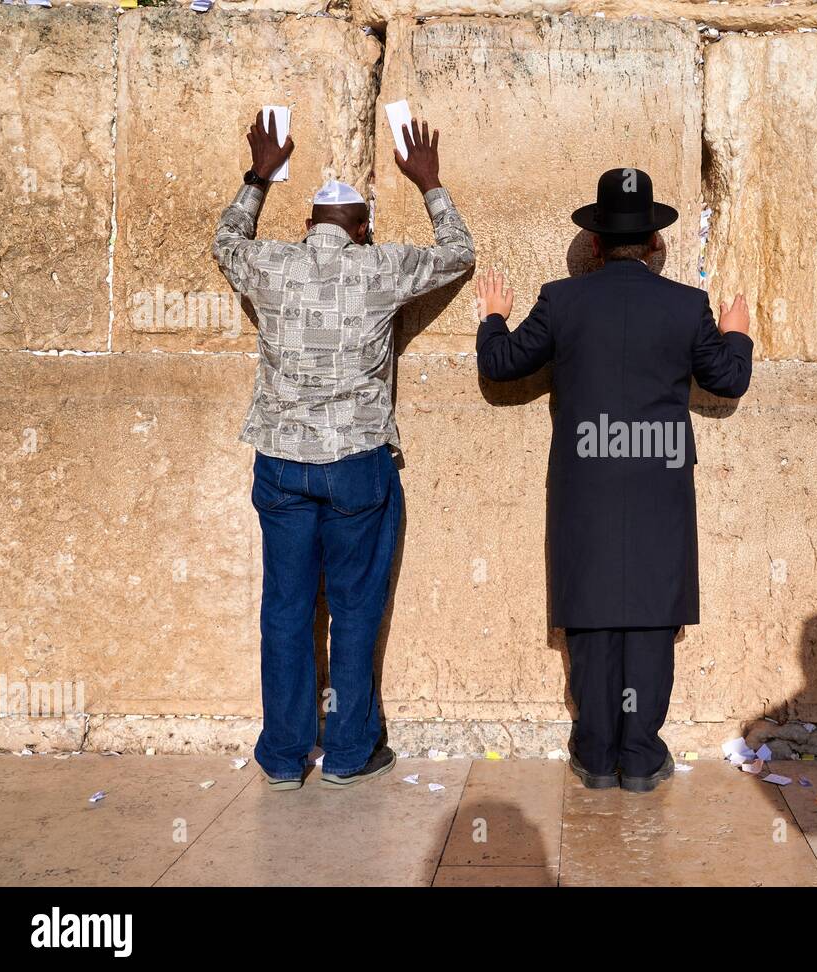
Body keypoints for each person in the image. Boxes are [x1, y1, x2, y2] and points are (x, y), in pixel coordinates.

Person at [213, 113, 475, 790]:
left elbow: (226, 239)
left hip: (282, 463)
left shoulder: (272, 263)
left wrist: (259, 173)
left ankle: (282, 754)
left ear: (309, 226)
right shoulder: (381, 265)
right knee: (355, 607)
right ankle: (351, 751)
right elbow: (458, 251)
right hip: (358, 465)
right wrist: (429, 183)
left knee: (286, 607)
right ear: (361, 228)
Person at [475, 168, 752, 792]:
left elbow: (500, 365)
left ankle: (597, 755)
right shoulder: (687, 306)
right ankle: (640, 753)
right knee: (652, 616)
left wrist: (493, 317)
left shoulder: (561, 300)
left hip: (587, 486)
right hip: (658, 484)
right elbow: (728, 379)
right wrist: (738, 332)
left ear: (594, 245)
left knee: (594, 610)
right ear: (656, 244)